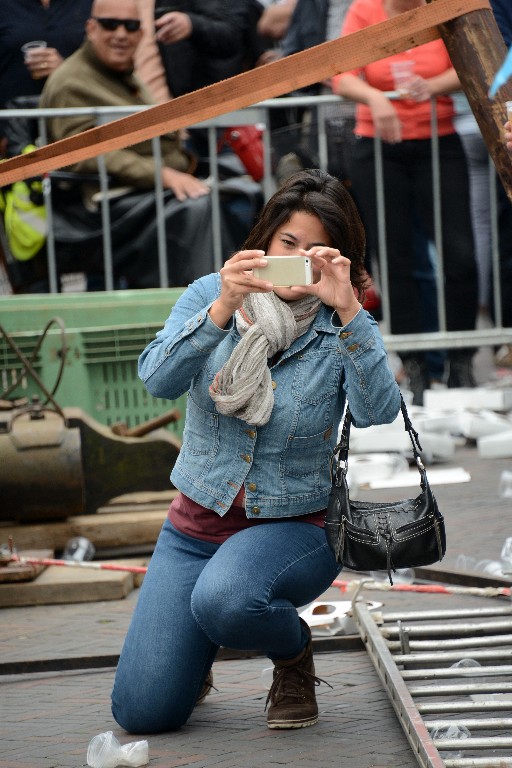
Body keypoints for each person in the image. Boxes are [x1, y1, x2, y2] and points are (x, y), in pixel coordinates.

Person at [111, 168, 401, 734]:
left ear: (340, 259)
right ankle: (191, 657)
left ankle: (292, 651)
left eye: (316, 251)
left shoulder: (341, 322)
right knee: (143, 713)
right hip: (197, 525)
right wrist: (221, 307)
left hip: (296, 527)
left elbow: (377, 412)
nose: (298, 261)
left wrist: (350, 314)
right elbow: (157, 380)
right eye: (288, 244)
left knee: (227, 600)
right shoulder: (212, 293)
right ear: (265, 241)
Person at [39, 0, 256, 289]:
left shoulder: (122, 72)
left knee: (246, 194)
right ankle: (199, 308)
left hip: (149, 190)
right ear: (90, 28)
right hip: (106, 201)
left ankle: (243, 297)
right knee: (196, 207)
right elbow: (82, 155)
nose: (121, 34)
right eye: (109, 24)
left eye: (131, 26)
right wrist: (164, 175)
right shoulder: (71, 81)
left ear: (142, 34)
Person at [332, 0, 479, 401]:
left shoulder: (441, 9)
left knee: (460, 254)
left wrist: (430, 87)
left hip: (438, 140)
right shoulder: (365, 11)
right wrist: (376, 98)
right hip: (378, 148)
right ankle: (415, 367)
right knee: (395, 258)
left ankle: (461, 362)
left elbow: (469, 61)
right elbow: (342, 75)